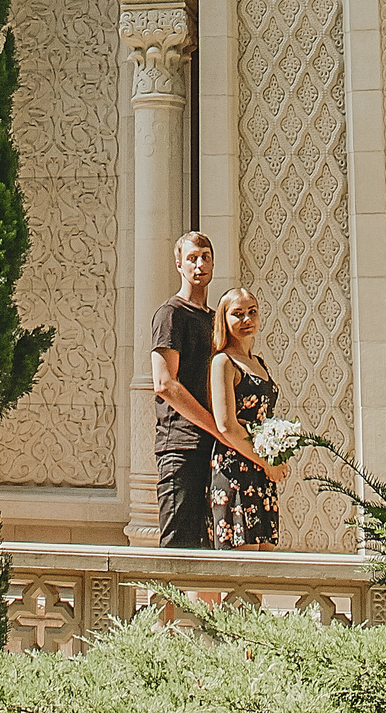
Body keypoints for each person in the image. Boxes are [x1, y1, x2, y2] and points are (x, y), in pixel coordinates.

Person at [149, 231, 226, 548]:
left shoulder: (215, 319)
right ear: (179, 264)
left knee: (209, 550)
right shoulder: (171, 314)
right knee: (179, 550)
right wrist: (216, 427)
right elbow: (165, 384)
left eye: (205, 257)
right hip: (180, 447)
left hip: (215, 449)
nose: (199, 264)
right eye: (192, 258)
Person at [207, 287, 286, 549]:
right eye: (237, 314)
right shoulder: (223, 362)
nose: (246, 320)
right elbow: (227, 426)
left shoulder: (259, 362)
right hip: (235, 470)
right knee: (243, 564)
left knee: (264, 564)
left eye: (252, 312)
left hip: (261, 473)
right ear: (224, 319)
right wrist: (267, 462)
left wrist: (278, 457)